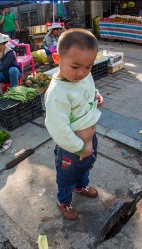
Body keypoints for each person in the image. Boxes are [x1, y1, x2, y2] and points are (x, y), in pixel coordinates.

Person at [44, 29, 104, 221]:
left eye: (88, 67)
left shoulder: (85, 76)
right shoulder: (57, 93)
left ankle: (81, 186)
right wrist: (79, 147)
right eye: (76, 66)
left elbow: (88, 89)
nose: (81, 73)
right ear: (56, 58)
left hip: (89, 140)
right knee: (66, 177)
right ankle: (64, 201)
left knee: (84, 168)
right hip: (71, 148)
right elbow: (58, 128)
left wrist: (96, 96)